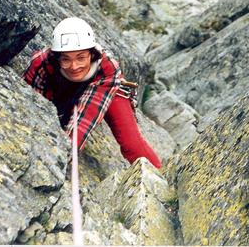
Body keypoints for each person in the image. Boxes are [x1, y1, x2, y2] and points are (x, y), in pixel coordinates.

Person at [23, 16, 161, 169]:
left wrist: (62, 157)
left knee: (132, 144)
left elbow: (83, 121)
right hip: (62, 89)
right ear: (57, 58)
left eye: (81, 58)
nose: (74, 66)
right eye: (66, 59)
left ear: (92, 54)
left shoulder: (107, 69)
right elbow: (33, 104)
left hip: (105, 88)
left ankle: (159, 175)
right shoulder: (42, 63)